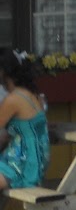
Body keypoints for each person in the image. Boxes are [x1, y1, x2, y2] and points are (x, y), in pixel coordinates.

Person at [0, 51, 49, 194]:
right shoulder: (31, 93)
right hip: (34, 159)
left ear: (3, 72)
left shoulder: (13, 100)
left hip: (21, 164)